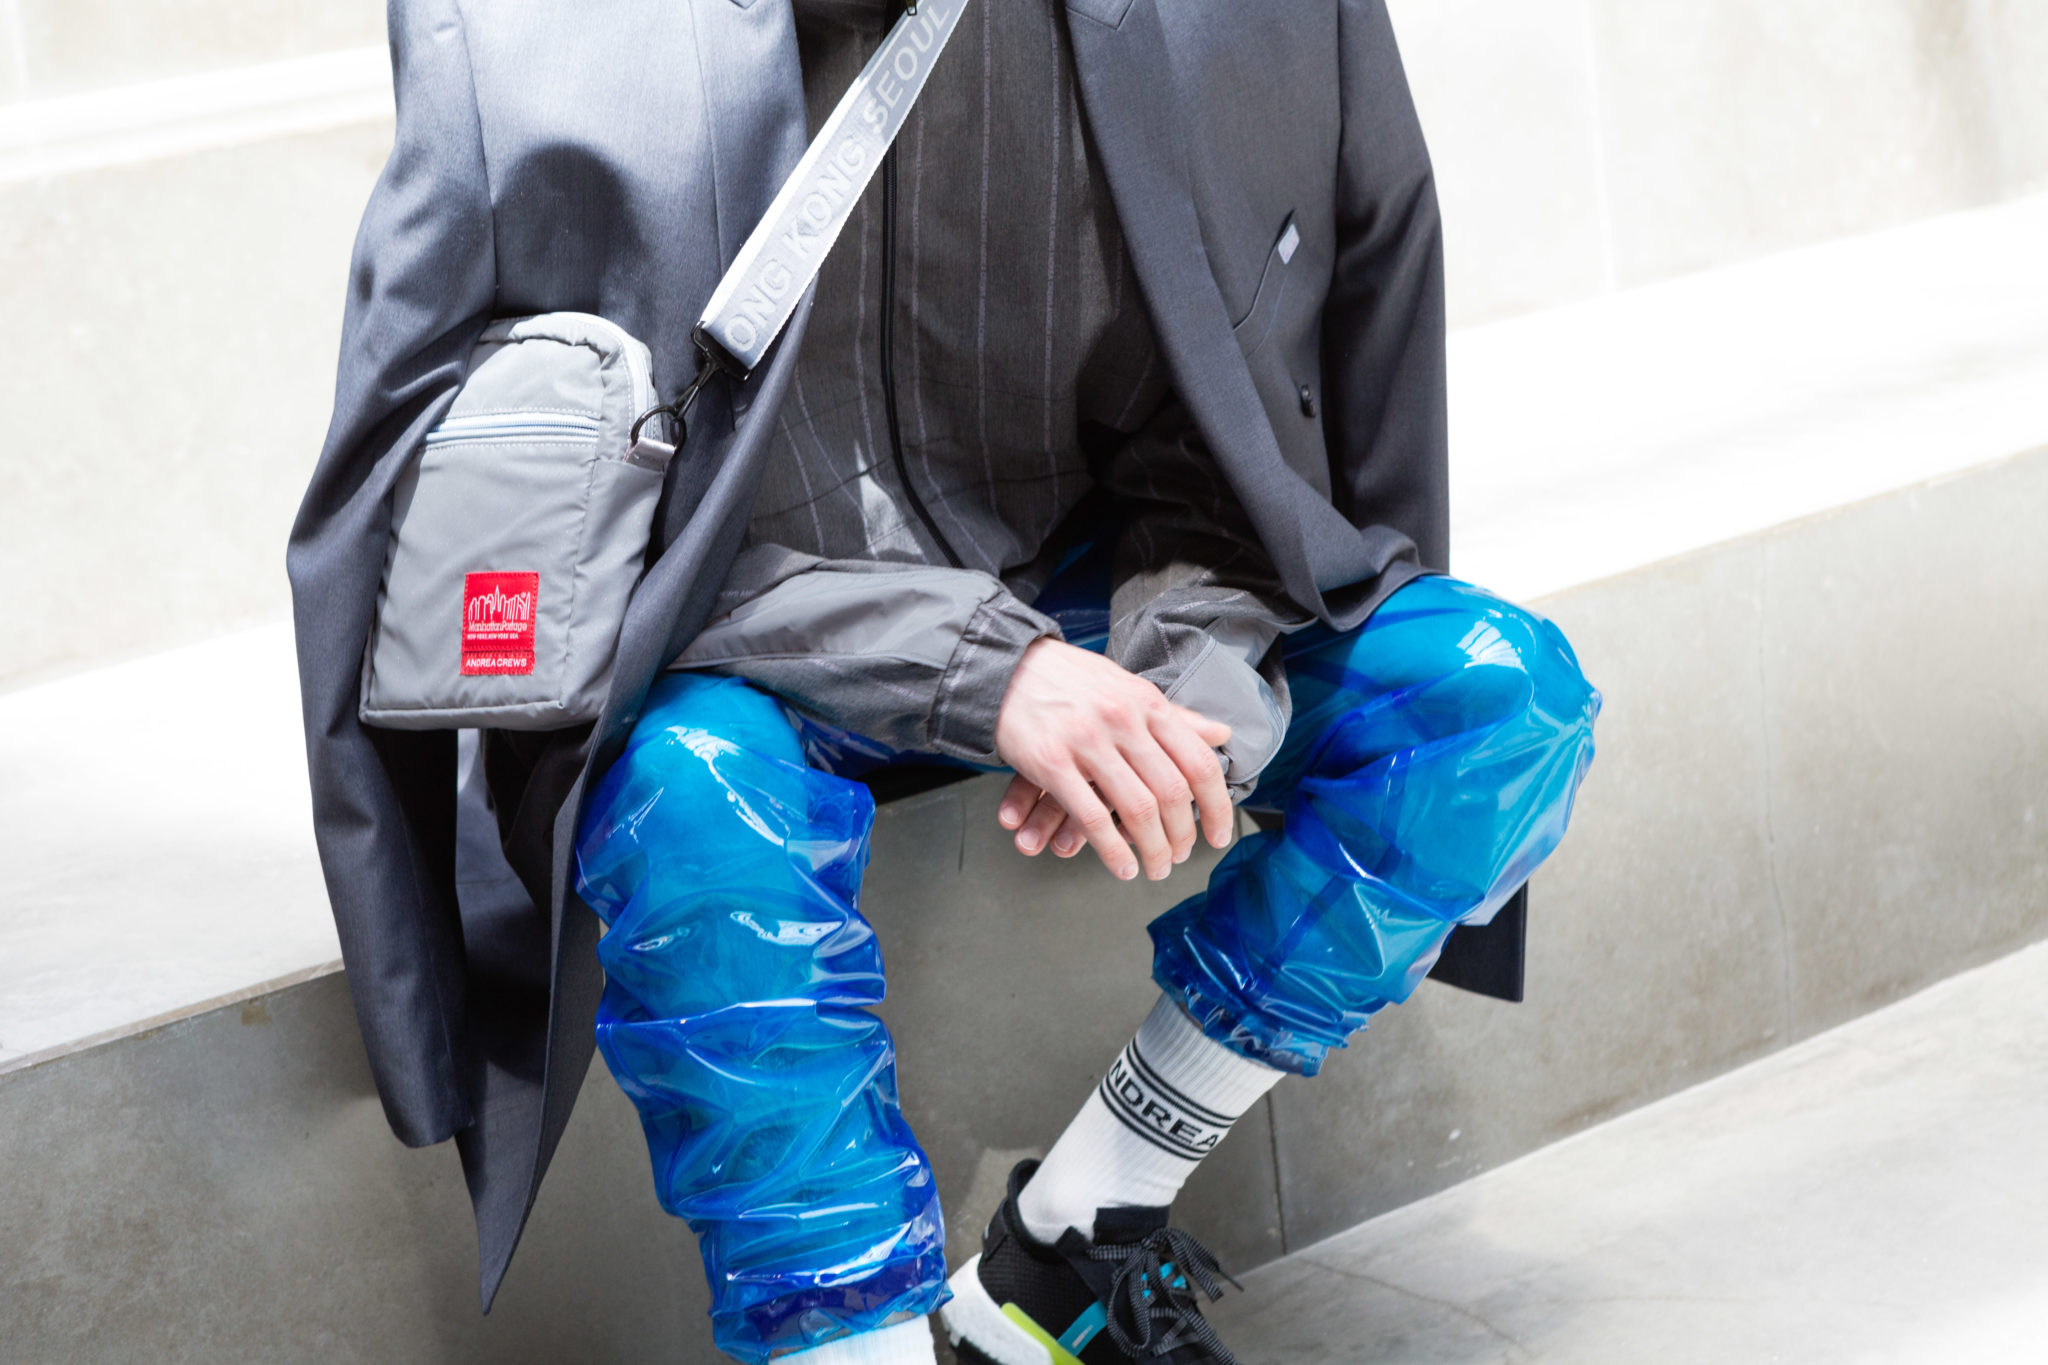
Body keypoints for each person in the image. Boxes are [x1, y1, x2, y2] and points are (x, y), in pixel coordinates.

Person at [291, 1, 1598, 1363]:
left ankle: (1076, 1243)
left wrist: (1189, 679)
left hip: (1076, 585)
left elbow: (1245, 405)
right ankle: (853, 1343)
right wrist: (984, 672)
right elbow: (476, 527)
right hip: (741, 644)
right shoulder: (532, 34)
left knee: (1489, 698)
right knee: (688, 793)